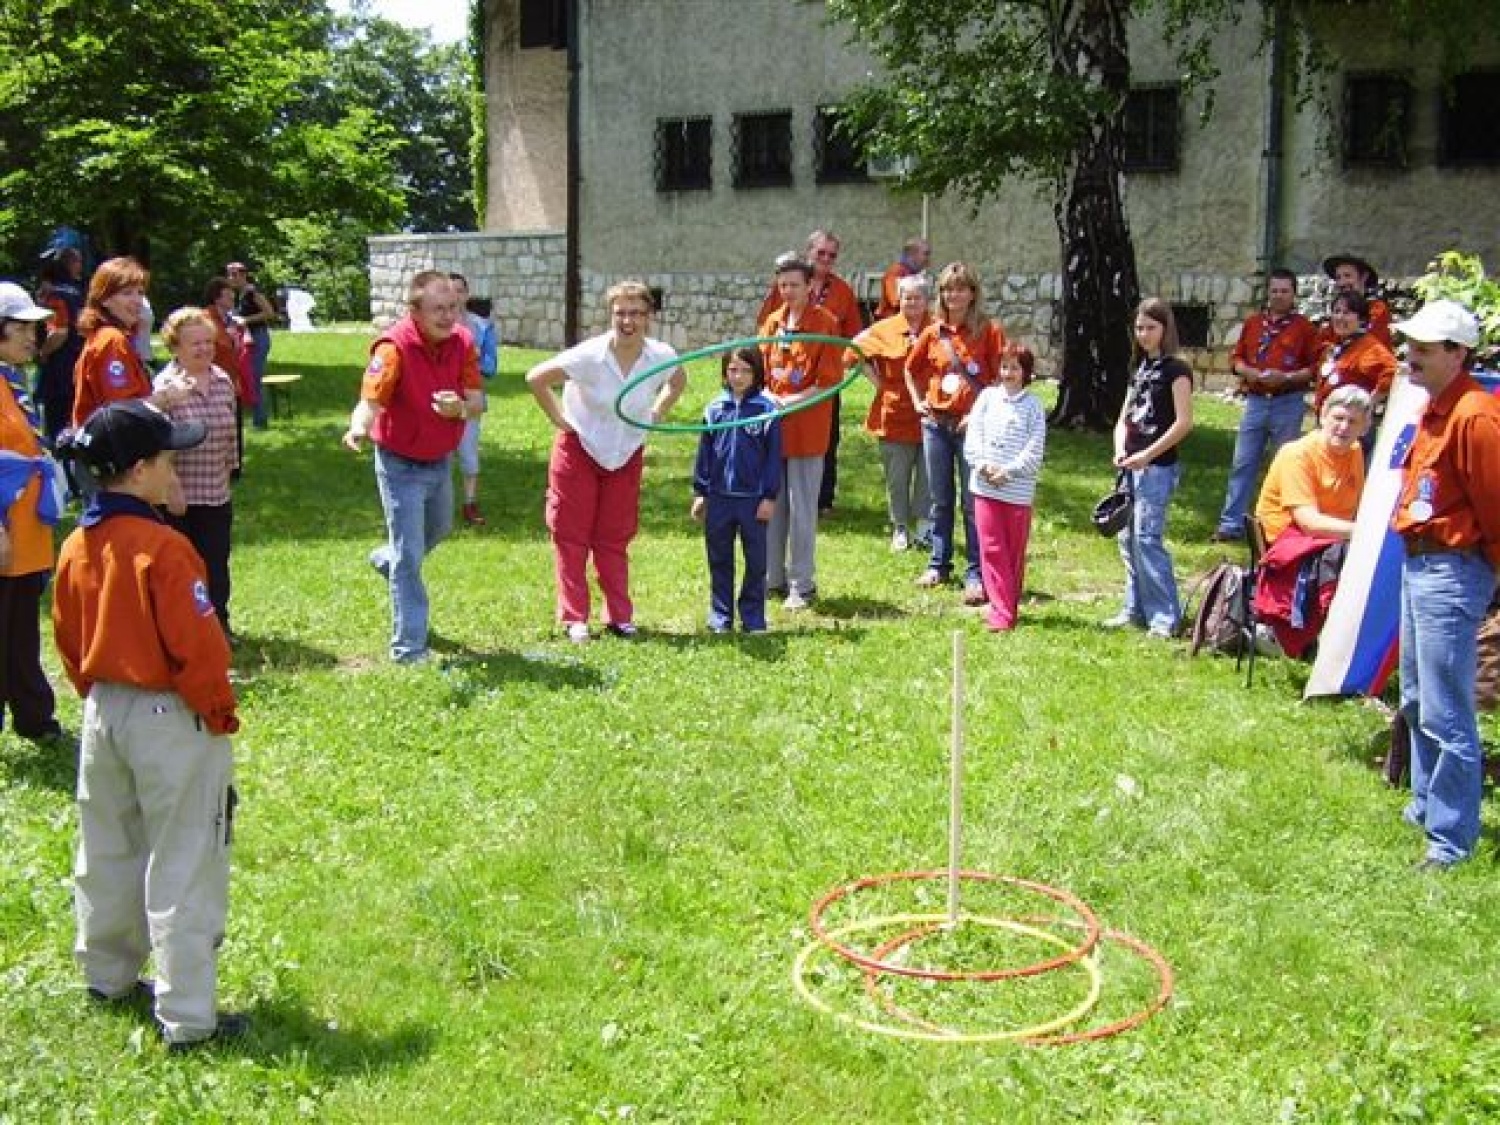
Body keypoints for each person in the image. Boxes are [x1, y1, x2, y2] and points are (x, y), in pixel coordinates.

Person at [51, 399, 245, 1050]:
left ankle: (106, 973)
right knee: (186, 855)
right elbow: (199, 645)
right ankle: (188, 1016)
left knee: (107, 845)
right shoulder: (165, 548)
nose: (174, 470)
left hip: (104, 709)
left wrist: (99, 692)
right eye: (167, 460)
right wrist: (216, 711)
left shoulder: (77, 543)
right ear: (138, 471)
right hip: (169, 713)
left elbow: (68, 637)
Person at [1388, 299, 1500, 871]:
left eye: (1425, 350)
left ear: (1459, 354)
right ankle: (1427, 805)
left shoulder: (1475, 415)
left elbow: (1495, 503)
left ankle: (1452, 839)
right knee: (1414, 698)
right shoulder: (1435, 407)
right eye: (1412, 346)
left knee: (1446, 709)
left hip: (1452, 570)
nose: (1412, 357)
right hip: (1421, 564)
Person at [526, 280, 685, 642]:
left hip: (625, 450)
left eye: (636, 313)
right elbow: (536, 378)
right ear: (610, 315)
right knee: (571, 534)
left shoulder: (660, 355)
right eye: (620, 313)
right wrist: (558, 418)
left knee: (614, 536)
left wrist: (657, 412)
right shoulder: (590, 355)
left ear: (649, 317)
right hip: (581, 447)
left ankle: (619, 616)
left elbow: (677, 381)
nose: (627, 321)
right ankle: (574, 618)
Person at [342, 271, 484, 664]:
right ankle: (409, 649)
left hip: (440, 460)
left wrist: (460, 408)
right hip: (399, 463)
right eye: (437, 309)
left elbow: (478, 402)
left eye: (453, 307)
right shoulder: (393, 349)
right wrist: (357, 429)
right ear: (415, 311)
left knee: (436, 530)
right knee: (410, 555)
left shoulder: (463, 343)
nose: (447, 316)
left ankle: (386, 561)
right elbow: (371, 402)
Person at [904, 261, 1007, 606]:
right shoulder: (933, 333)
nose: (953, 296)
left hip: (972, 427)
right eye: (947, 289)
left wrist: (978, 415)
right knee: (940, 498)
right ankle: (938, 563)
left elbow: (998, 380)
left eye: (960, 288)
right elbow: (910, 369)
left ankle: (976, 572)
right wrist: (919, 402)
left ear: (972, 293)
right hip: (936, 423)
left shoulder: (989, 331)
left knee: (972, 500)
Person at [1251, 386, 1373, 658]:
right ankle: (1316, 636)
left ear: (1365, 427)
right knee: (1351, 555)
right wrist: (1366, 532)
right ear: (1322, 417)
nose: (1343, 427)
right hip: (1286, 543)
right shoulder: (1298, 454)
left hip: (1332, 539)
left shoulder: (1355, 452)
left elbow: (1353, 510)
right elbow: (1308, 522)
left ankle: (1349, 642)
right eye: (1337, 418)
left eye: (1353, 422)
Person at [757, 253, 844, 611]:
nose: (788, 291)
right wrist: (765, 398)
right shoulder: (773, 322)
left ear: (810, 286)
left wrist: (791, 400)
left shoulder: (825, 323)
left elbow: (828, 381)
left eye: (795, 284)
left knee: (803, 508)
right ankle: (772, 577)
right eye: (783, 285)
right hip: (773, 430)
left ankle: (801, 584)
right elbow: (758, 369)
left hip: (807, 429)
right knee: (772, 506)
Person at [1106, 298, 1194, 638]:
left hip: (1157, 468)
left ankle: (1164, 617)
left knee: (1147, 538)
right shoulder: (1140, 368)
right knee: (1127, 538)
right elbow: (1124, 417)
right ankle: (1135, 608)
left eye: (1151, 328)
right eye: (1139, 328)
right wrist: (1120, 449)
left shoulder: (1177, 370)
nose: (1144, 335)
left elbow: (1184, 422)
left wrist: (1149, 454)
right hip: (1130, 464)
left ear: (1165, 329)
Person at [758, 230, 863, 515]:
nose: (826, 259)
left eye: (832, 255)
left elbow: (853, 334)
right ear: (809, 254)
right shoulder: (779, 299)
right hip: (780, 388)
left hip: (821, 378)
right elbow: (763, 339)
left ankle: (822, 499)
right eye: (821, 253)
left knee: (825, 439)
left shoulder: (841, 292)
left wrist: (844, 362)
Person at [0, 282, 65, 743]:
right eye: (21, 326)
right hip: (4, 540)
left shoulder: (12, 380)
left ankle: (34, 718)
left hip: (26, 540)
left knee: (21, 634)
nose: (32, 336)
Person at [1211, 268, 1319, 543]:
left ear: (1294, 294)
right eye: (1275, 291)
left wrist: (1288, 377)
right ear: (1268, 293)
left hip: (1288, 402)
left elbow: (1315, 367)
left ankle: (1278, 527)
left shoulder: (1305, 328)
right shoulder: (1254, 324)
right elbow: (1236, 359)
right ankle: (1230, 524)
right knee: (1243, 463)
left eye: (1285, 291)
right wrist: (1248, 372)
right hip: (1256, 401)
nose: (1279, 296)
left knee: (1284, 464)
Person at [154, 308, 240, 638]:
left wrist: (231, 469)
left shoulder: (221, 379)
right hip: (179, 494)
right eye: (195, 344)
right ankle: (183, 627)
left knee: (216, 563)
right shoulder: (167, 387)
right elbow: (159, 445)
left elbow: (231, 430)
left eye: (208, 342)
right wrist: (171, 488)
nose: (204, 349)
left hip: (216, 490)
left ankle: (219, 623)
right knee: (181, 566)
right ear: (175, 347)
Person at [691, 347, 782, 634]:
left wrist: (769, 496)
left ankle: (753, 616)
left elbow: (773, 457)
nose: (739, 376)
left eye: (745, 370)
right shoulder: (714, 408)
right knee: (719, 557)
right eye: (733, 370)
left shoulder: (766, 410)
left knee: (756, 561)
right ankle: (721, 615)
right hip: (719, 497)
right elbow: (704, 453)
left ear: (756, 373)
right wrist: (701, 492)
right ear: (724, 372)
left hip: (753, 499)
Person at [964, 343, 1046, 632]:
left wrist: (1008, 472)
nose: (1008, 373)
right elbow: (973, 436)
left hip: (1017, 493)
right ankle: (1001, 612)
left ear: (1026, 372)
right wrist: (984, 465)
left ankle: (1008, 602)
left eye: (1015, 367)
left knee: (1012, 552)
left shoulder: (1034, 407)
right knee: (991, 548)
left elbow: (1033, 451)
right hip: (985, 489)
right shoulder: (986, 398)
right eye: (1004, 367)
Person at [852, 273, 932, 551]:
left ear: (926, 300)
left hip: (931, 413)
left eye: (918, 297)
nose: (912, 303)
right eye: (907, 297)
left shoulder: (938, 327)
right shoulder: (884, 329)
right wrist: (879, 383)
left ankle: (924, 526)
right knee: (897, 477)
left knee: (929, 473)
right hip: (894, 414)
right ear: (899, 299)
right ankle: (899, 527)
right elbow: (852, 355)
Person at [72, 257, 185, 428]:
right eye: (127, 293)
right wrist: (167, 396)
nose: (137, 300)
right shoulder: (111, 341)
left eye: (140, 292)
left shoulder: (114, 336)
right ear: (104, 299)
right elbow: (123, 412)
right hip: (110, 450)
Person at [450, 274, 499, 527]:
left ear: (467, 294)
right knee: (438, 455)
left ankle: (469, 503)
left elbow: (492, 367)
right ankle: (438, 503)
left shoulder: (481, 326)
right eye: (451, 290)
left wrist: (476, 357)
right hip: (440, 400)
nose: (456, 296)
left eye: (460, 291)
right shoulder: (433, 325)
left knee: (468, 454)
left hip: (471, 401)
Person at [1311, 289, 1397, 422]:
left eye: (1347, 313)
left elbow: (1393, 372)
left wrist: (1369, 403)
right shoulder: (1338, 345)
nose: (1340, 317)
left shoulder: (1369, 347)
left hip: (1351, 425)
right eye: (1337, 311)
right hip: (1329, 421)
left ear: (1361, 319)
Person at [35, 247, 87, 444]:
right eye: (77, 262)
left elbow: (59, 332)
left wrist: (43, 352)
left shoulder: (55, 296)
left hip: (59, 368)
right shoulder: (77, 291)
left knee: (56, 426)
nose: (80, 266)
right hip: (77, 363)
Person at [226, 262, 275, 429]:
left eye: (234, 274)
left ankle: (260, 422)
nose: (230, 278)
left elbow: (269, 313)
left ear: (243, 275)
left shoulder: (252, 292)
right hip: (246, 339)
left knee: (254, 378)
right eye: (229, 274)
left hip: (258, 338)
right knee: (247, 377)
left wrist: (245, 320)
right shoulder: (238, 294)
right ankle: (253, 419)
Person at [1323, 253, 1392, 347]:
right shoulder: (1338, 311)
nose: (1342, 282)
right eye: (1338, 277)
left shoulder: (1377, 309)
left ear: (1364, 277)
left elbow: (1368, 342)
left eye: (1347, 276)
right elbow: (1324, 342)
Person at [875, 237, 931, 319]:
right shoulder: (896, 272)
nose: (928, 259)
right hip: (890, 323)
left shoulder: (914, 274)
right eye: (926, 254)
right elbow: (896, 300)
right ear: (913, 254)